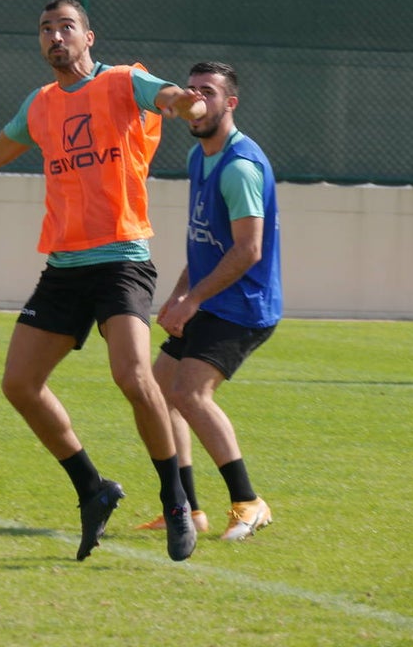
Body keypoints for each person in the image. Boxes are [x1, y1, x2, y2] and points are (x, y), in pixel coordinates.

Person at [0, 0, 207, 562]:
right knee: (19, 384)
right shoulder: (41, 102)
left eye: (66, 27)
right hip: (64, 267)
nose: (55, 36)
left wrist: (182, 101)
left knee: (132, 375)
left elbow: (166, 94)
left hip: (121, 259)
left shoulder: (124, 82)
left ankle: (176, 500)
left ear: (88, 37)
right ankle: (92, 488)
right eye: (46, 29)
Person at [134, 61, 281, 541]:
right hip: (211, 298)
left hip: (243, 305)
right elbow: (207, 241)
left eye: (209, 92)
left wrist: (193, 298)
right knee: (160, 390)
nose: (196, 99)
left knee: (189, 393)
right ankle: (187, 510)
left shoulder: (239, 167)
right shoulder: (200, 157)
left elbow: (248, 250)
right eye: (192, 89)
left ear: (230, 103)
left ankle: (249, 502)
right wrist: (181, 293)